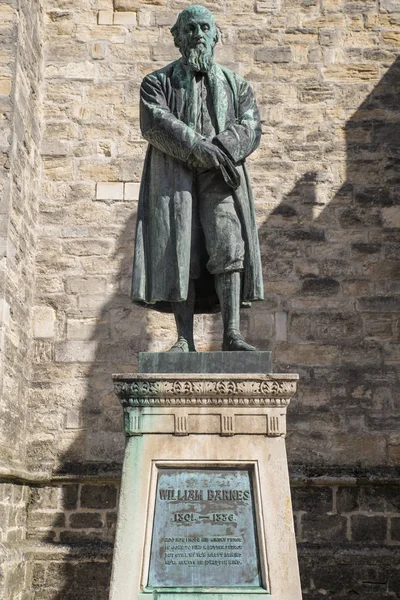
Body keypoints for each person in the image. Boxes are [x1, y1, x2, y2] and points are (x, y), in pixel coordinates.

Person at [131, 4, 264, 352]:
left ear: (216, 35)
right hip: (175, 176)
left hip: (220, 177)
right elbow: (155, 122)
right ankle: (184, 338)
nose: (198, 35)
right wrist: (197, 147)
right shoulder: (156, 82)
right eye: (190, 29)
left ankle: (232, 334)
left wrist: (217, 149)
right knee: (180, 249)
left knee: (229, 244)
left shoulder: (238, 86)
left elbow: (250, 126)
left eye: (205, 28)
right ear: (177, 38)